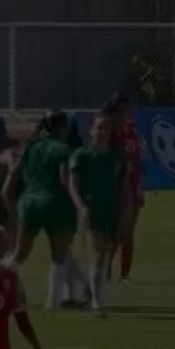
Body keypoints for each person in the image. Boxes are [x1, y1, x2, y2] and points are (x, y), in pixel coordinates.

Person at [4, 110, 92, 310]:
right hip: (56, 204)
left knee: (19, 254)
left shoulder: (30, 146)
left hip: (30, 203)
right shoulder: (62, 150)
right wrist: (81, 200)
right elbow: (64, 180)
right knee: (59, 256)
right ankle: (53, 302)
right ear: (61, 127)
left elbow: (14, 173)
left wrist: (12, 203)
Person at [68, 120, 124, 315]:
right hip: (92, 210)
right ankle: (96, 301)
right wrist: (80, 206)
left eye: (106, 128)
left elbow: (120, 184)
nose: (102, 132)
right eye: (99, 128)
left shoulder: (115, 157)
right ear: (91, 131)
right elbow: (73, 185)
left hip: (110, 210)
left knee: (106, 255)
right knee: (98, 256)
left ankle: (93, 295)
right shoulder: (81, 156)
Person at [102, 94, 143, 282]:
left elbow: (136, 157)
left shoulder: (131, 127)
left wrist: (140, 185)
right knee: (117, 232)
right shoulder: (111, 129)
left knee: (128, 233)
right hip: (116, 186)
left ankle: (124, 275)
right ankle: (105, 270)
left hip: (132, 184)